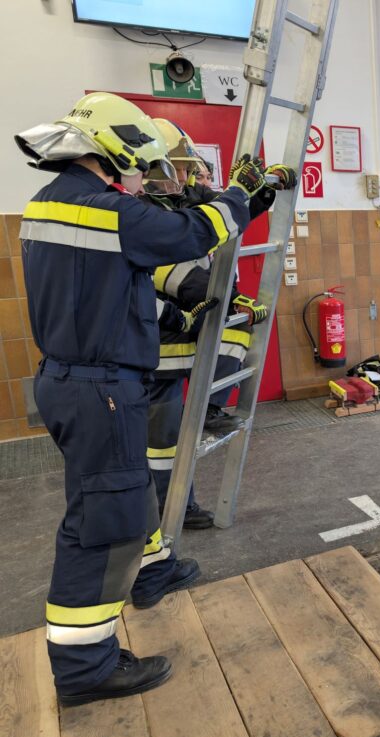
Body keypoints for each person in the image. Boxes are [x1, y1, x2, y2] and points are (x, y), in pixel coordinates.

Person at [16, 91, 266, 705]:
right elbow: (193, 232)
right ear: (116, 148)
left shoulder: (50, 203)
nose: (141, 175)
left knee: (114, 506)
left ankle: (136, 591)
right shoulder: (107, 211)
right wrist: (240, 194)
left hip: (75, 382)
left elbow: (118, 284)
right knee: (103, 527)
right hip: (101, 389)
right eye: (139, 163)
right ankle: (85, 667)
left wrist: (181, 312)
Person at [143, 118, 293, 529]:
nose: (185, 178)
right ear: (152, 168)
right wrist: (227, 296)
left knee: (237, 332)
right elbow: (170, 273)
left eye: (187, 170)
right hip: (160, 345)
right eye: (177, 169)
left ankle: (210, 405)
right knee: (163, 444)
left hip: (194, 326)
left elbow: (234, 212)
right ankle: (169, 512)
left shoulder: (187, 196)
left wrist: (265, 187)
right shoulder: (140, 213)